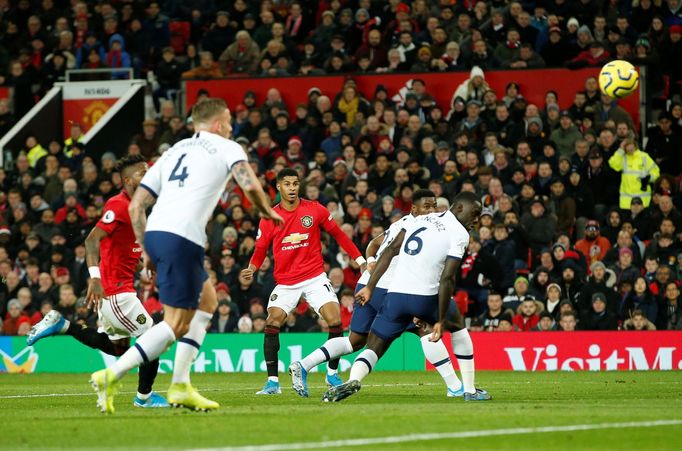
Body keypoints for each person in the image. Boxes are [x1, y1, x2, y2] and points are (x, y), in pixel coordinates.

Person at [89, 98, 282, 414]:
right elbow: (249, 184)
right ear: (218, 124)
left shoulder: (173, 151)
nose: (232, 127)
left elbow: (137, 206)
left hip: (159, 234)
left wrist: (147, 248)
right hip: (183, 237)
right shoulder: (227, 146)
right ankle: (112, 374)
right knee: (176, 323)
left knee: (207, 302)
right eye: (230, 120)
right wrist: (268, 214)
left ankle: (180, 383)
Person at [290, 190, 466, 398]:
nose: (431, 211)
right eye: (426, 207)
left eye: (433, 206)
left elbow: (373, 244)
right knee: (425, 329)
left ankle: (303, 364)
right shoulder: (421, 227)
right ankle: (455, 387)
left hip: (367, 284)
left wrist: (370, 261)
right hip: (390, 289)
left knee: (354, 341)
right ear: (414, 209)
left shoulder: (399, 224)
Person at [27, 155, 168, 408]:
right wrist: (94, 278)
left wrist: (141, 265)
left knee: (116, 348)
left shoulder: (137, 208)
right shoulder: (118, 205)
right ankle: (144, 398)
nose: (147, 177)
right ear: (127, 180)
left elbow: (123, 249)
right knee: (153, 339)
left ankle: (63, 325)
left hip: (117, 290)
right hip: (115, 292)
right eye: (141, 173)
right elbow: (92, 240)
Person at [323, 192, 491, 402]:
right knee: (458, 327)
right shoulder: (459, 233)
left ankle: (354, 379)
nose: (477, 219)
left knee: (375, 345)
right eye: (474, 213)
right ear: (458, 209)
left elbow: (391, 249)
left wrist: (370, 286)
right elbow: (448, 278)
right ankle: (469, 390)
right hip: (425, 295)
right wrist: (440, 318)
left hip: (395, 296)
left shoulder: (421, 219)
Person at [241, 168, 364, 395]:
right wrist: (252, 267)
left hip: (315, 276)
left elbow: (338, 234)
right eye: (287, 184)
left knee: (335, 319)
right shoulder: (270, 216)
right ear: (278, 186)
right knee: (272, 321)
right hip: (286, 282)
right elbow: (260, 249)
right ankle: (272, 383)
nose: (292, 188)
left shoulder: (314, 210)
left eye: (295, 184)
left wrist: (359, 259)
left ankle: (332, 374)